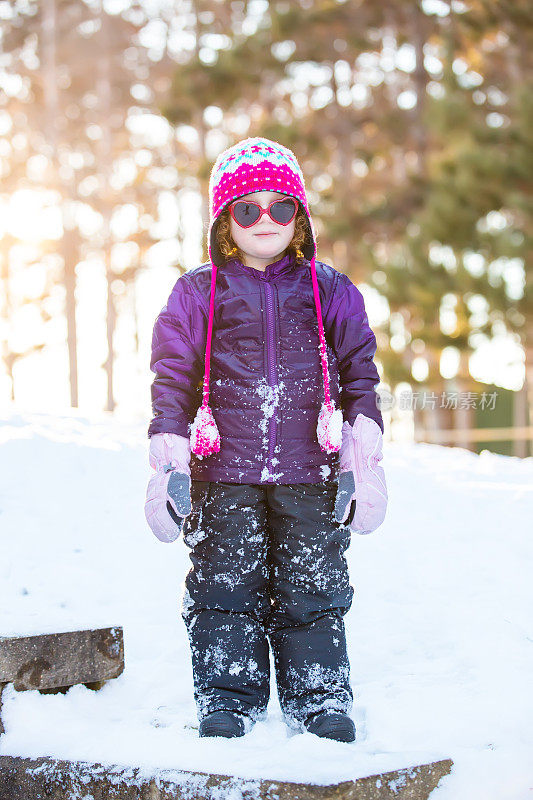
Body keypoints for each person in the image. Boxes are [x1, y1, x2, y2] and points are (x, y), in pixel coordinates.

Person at [145, 137, 388, 742]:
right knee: (223, 588)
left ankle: (320, 699)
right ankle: (228, 695)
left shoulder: (329, 290)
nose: (265, 221)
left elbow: (359, 365)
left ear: (299, 216)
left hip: (311, 470)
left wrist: (363, 449)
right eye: (247, 209)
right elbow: (172, 373)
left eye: (280, 207)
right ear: (225, 220)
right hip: (222, 470)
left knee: (314, 587)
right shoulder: (199, 292)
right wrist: (169, 449)